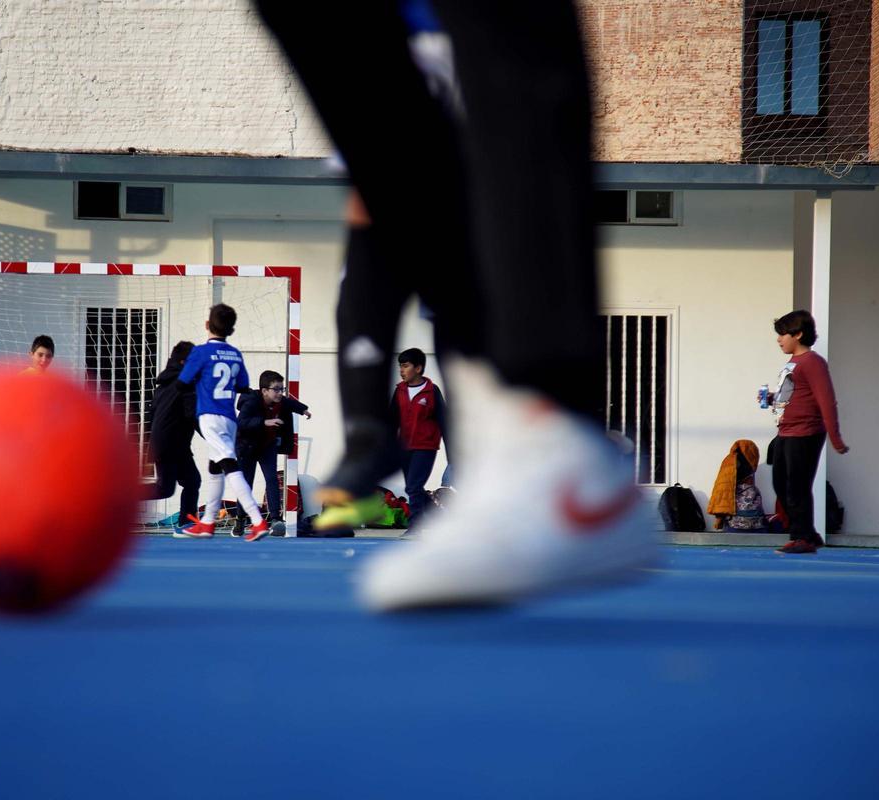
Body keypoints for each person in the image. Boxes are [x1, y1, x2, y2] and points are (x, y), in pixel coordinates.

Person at [255, 0, 655, 610]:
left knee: (503, 40)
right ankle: (496, 428)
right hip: (412, 63)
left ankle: (551, 425)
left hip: (467, 55)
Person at [173, 304, 270, 542]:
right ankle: (207, 522)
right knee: (215, 469)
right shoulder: (235, 354)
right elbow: (242, 386)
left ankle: (257, 521)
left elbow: (181, 383)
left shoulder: (200, 352)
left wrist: (196, 378)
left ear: (207, 325)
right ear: (232, 330)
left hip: (209, 415)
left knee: (229, 466)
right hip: (229, 417)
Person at [766, 310, 849, 554]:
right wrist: (772, 398)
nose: (779, 339)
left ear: (798, 334)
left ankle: (801, 536)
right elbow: (794, 395)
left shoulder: (813, 362)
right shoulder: (793, 363)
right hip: (786, 430)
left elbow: (826, 399)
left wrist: (835, 437)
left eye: (783, 334)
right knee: (780, 483)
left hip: (805, 431)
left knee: (797, 486)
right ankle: (809, 533)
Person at [232, 370, 311, 537]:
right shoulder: (252, 402)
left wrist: (304, 410)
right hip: (248, 446)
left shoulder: (281, 401)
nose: (280, 393)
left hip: (267, 446)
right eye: (276, 389)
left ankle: (275, 519)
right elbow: (241, 423)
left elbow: (291, 403)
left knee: (272, 479)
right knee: (246, 483)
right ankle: (240, 519)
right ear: (264, 391)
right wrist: (264, 422)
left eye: (282, 389)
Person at [389, 348, 448, 530]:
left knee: (414, 487)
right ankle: (436, 511)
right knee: (413, 488)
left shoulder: (431, 391)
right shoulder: (399, 391)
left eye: (406, 366)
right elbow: (391, 420)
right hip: (404, 447)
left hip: (425, 447)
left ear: (419, 368)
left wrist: (452, 453)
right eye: (400, 366)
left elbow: (445, 421)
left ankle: (415, 527)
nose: (401, 370)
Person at [147, 341, 202, 532]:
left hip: (167, 443)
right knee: (169, 487)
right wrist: (213, 437)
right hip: (172, 444)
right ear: (182, 362)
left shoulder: (164, 384)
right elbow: (192, 414)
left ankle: (187, 523)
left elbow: (152, 414)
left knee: (187, 482)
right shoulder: (185, 383)